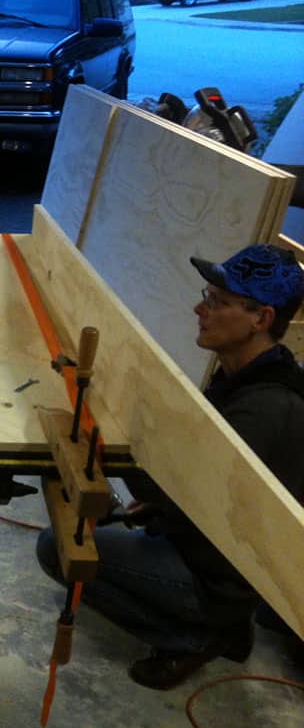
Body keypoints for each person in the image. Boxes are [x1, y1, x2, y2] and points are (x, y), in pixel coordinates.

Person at [36, 243, 304, 690]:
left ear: (261, 319)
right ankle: (224, 626)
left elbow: (198, 498)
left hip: (224, 576)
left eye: (218, 302)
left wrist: (129, 446)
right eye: (207, 294)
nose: (200, 308)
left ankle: (196, 637)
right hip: (219, 550)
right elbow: (207, 487)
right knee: (102, 516)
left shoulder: (266, 408)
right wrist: (158, 507)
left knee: (56, 550)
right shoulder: (244, 372)